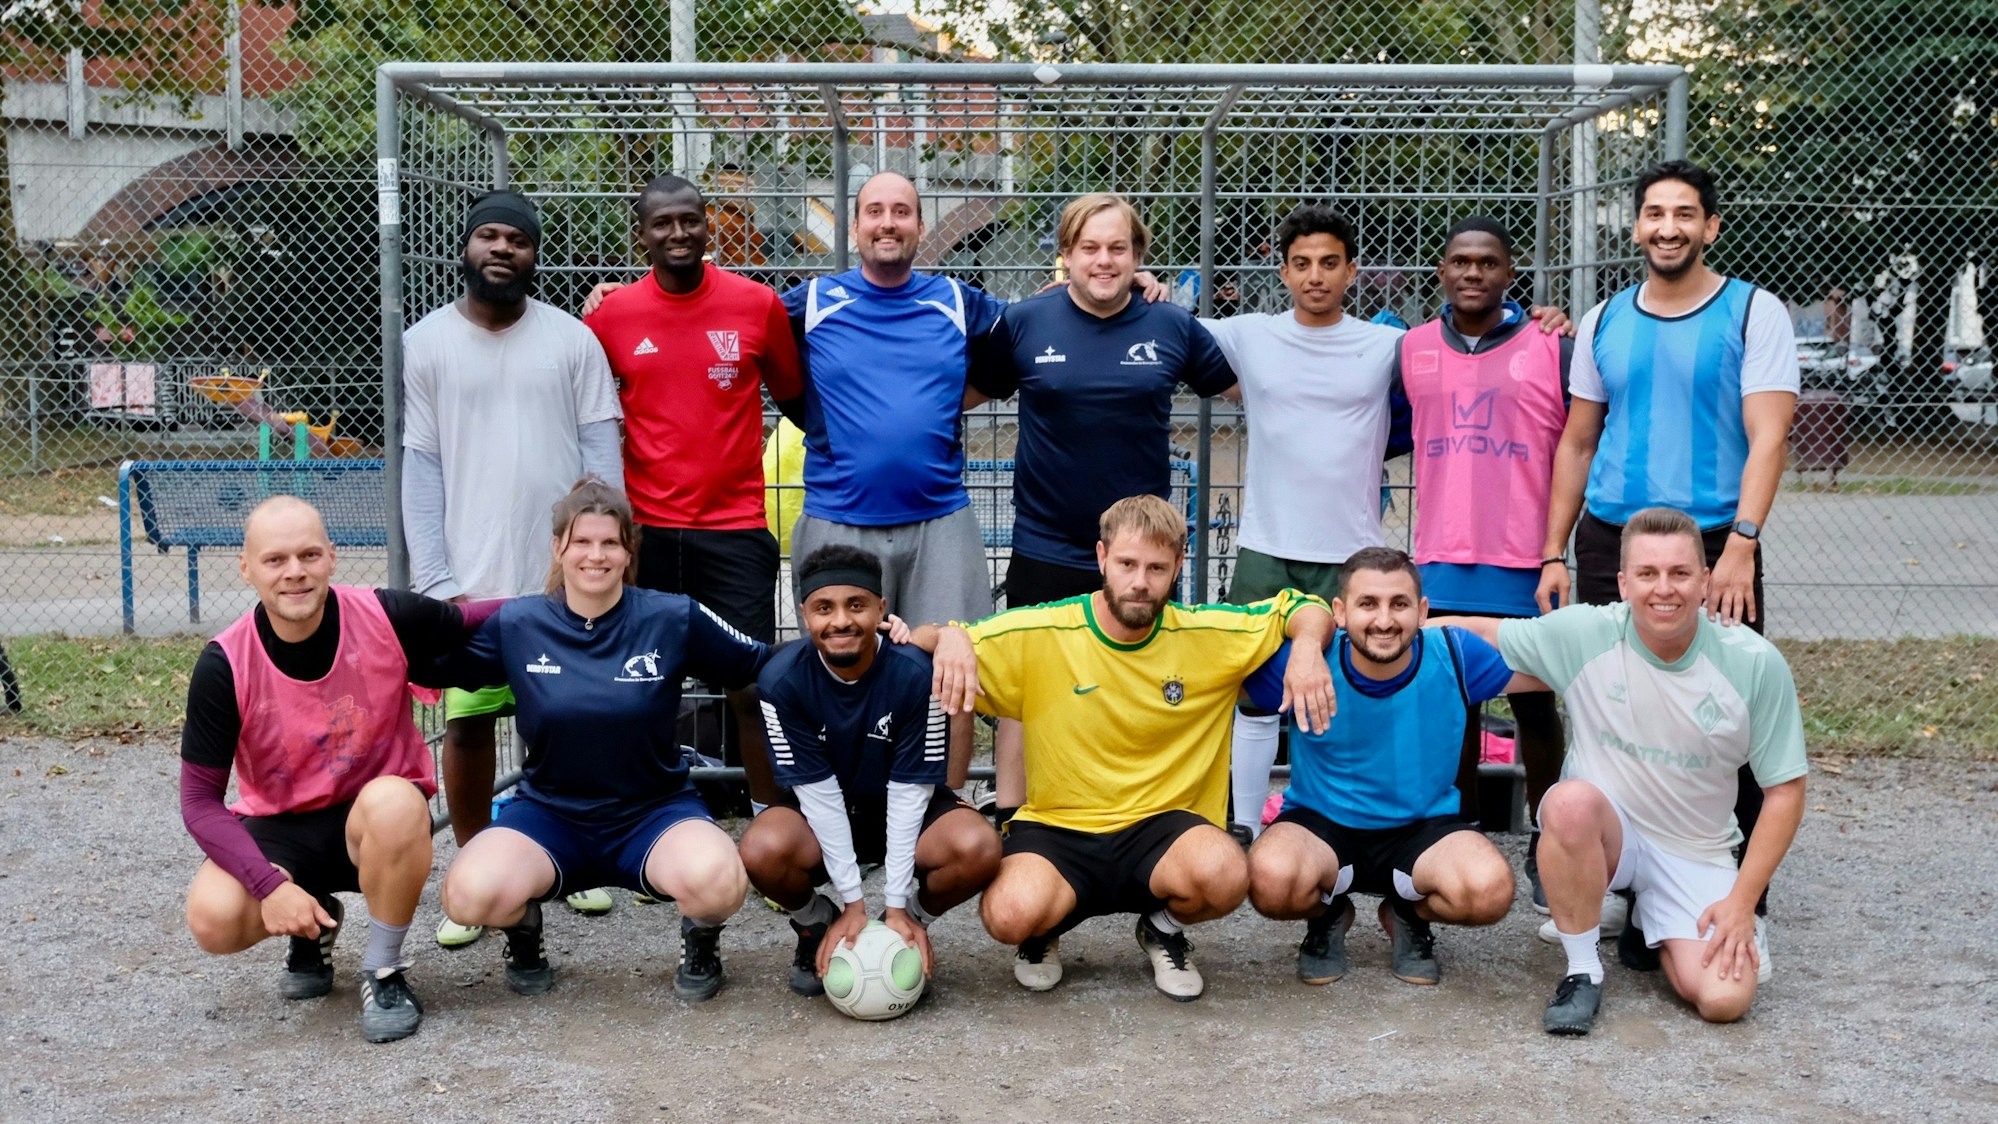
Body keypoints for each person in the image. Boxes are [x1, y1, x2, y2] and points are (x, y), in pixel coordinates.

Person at [915, 495, 1336, 1002]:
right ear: (1101, 558)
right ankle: (1042, 931)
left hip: (1163, 827)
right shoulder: (1043, 629)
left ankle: (1160, 926)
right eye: (1127, 564)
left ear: (1179, 565)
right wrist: (954, 635)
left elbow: (1302, 605)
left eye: (1157, 567)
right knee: (1008, 915)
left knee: (1225, 873)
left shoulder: (1209, 632)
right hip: (1061, 826)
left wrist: (1308, 647)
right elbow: (923, 638)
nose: (1141, 581)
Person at [1536, 160, 1800, 962]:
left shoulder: (1755, 313)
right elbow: (1578, 439)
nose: (1668, 228)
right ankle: (1616, 888)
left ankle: (1737, 892)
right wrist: (1554, 548)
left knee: (1732, 709)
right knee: (1609, 711)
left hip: (1717, 541)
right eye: (1654, 213)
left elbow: (1769, 436)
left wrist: (1744, 543)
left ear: (1711, 227)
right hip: (1613, 537)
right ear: (1637, 225)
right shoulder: (1605, 318)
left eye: (1686, 214)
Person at [1442, 507, 1807, 1034]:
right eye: (1648, 573)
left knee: (1723, 1000)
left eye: (1680, 573)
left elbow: (1785, 792)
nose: (1665, 589)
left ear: (1705, 580)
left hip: (1694, 847)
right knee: (1567, 804)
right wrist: (1364, 630)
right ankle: (1583, 971)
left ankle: (1649, 923)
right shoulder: (1587, 633)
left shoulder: (1754, 662)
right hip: (1609, 836)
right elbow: (1478, 634)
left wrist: (1741, 903)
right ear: (1622, 582)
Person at [434, 479, 769, 1002]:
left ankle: (701, 938)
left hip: (654, 812)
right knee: (466, 896)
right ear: (558, 548)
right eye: (582, 542)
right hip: (550, 815)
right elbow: (433, 659)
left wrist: (875, 647)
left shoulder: (671, 616)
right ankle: (523, 931)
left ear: (629, 550)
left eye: (610, 542)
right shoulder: (519, 623)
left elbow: (757, 662)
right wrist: (360, 628)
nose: (596, 555)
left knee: (721, 882)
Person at [967, 193, 1239, 824]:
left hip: (1138, 553)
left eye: (1118, 248)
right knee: (1028, 689)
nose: (1104, 260)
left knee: (1147, 684)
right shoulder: (1025, 320)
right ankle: (1015, 816)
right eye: (1089, 247)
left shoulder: (1169, 324)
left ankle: (1147, 818)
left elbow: (1246, 382)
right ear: (1066, 255)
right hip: (1047, 541)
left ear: (1139, 256)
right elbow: (959, 396)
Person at [180, 496, 492, 1043]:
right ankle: (313, 917)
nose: (295, 572)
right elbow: (199, 802)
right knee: (213, 919)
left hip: (371, 821)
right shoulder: (224, 663)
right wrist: (268, 884)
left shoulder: (383, 613)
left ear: (332, 557)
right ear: (246, 568)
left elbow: (473, 617)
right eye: (275, 560)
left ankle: (383, 969)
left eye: (308, 554)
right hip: (282, 827)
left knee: (396, 803)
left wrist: (580, 600)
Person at [401, 189, 626, 946]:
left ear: (534, 256)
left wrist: (597, 563)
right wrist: (437, 578)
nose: (502, 249)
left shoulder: (571, 341)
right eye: (489, 237)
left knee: (564, 724)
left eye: (517, 240)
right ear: (467, 248)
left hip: (561, 581)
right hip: (470, 578)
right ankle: (478, 867)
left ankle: (573, 864)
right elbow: (421, 466)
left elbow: (601, 463)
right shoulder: (425, 343)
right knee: (469, 726)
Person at [584, 174, 806, 808]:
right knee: (640, 678)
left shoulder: (756, 304)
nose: (677, 233)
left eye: (689, 220)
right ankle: (644, 809)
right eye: (662, 223)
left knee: (750, 682)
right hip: (645, 532)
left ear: (708, 226)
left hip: (734, 528)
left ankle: (768, 815)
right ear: (642, 235)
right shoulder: (611, 315)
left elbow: (795, 397)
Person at [1197, 206, 1404, 844]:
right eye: (1302, 263)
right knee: (1254, 691)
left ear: (1351, 270)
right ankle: (1241, 826)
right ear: (1282, 270)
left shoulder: (1386, 343)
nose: (1316, 276)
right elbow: (1166, 323)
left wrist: (1540, 319)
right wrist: (1144, 286)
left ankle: (1335, 821)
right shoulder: (1249, 334)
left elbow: (1465, 345)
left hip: (1349, 553)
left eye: (1329, 263)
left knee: (1346, 691)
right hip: (1266, 544)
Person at [1245, 548, 1542, 988]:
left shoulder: (1455, 655)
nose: (1384, 620)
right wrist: (1305, 640)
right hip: (1321, 823)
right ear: (1340, 613)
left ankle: (1405, 912)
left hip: (1423, 827)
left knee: (1489, 891)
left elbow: (1553, 671)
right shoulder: (1304, 664)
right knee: (1269, 881)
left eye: (1399, 604)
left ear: (1422, 611)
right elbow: (1214, 676)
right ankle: (1328, 913)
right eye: (1368, 604)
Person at [1397, 216, 1571, 910]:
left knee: (1534, 706)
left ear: (1510, 272)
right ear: (1441, 270)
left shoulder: (1552, 344)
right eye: (1460, 260)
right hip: (1441, 558)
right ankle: (1458, 837)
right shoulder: (1409, 349)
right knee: (1456, 711)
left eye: (1488, 262)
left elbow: (1584, 439)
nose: (1474, 272)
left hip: (1527, 560)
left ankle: (1549, 842)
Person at [738, 545, 1001, 996]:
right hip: (826, 810)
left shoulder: (916, 673)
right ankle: (816, 924)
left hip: (904, 809)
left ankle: (905, 925)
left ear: (882, 608)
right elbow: (818, 797)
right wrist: (851, 904)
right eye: (824, 608)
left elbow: (909, 792)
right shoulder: (782, 680)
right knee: (762, 849)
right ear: (804, 614)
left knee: (977, 846)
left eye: (856, 605)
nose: (840, 620)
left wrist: (897, 906)